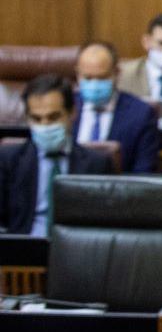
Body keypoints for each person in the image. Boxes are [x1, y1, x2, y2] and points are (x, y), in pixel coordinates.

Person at [0, 74, 114, 236]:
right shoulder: (7, 161)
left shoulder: (98, 164)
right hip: (22, 253)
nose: (45, 125)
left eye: (53, 117)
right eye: (36, 119)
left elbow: (103, 227)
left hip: (76, 253)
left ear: (72, 113)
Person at [73, 41, 160, 173]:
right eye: (87, 78)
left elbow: (144, 173)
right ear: (77, 74)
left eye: (102, 77)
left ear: (117, 73)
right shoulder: (65, 108)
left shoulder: (141, 114)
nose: (94, 84)